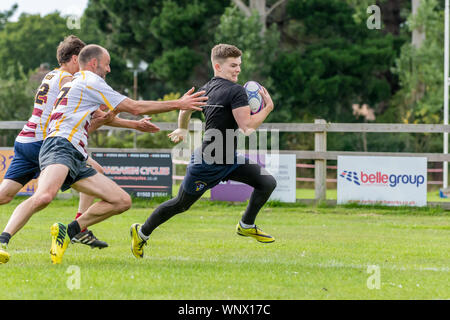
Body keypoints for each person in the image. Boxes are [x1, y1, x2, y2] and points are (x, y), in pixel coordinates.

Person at [1, 43, 207, 265]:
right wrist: (179, 103)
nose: (109, 70)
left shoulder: (76, 83)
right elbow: (135, 106)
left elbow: (96, 121)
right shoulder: (90, 81)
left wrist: (128, 123)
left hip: (74, 151)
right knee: (43, 197)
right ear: (94, 63)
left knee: (121, 201)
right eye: (107, 64)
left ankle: (69, 231)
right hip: (59, 146)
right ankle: (2, 240)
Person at [129, 43, 277, 259]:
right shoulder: (235, 91)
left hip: (229, 159)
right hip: (207, 163)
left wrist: (182, 127)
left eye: (239, 65)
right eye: (233, 65)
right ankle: (141, 233)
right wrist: (268, 109)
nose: (238, 70)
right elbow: (247, 127)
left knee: (267, 182)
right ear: (218, 66)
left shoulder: (206, 89)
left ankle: (246, 224)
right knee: (180, 204)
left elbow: (185, 108)